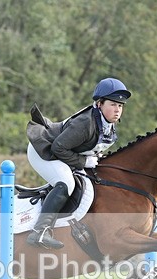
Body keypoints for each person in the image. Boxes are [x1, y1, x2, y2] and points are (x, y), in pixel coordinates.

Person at [25, 77, 131, 248]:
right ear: (99, 104)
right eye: (112, 104)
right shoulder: (85, 123)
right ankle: (40, 231)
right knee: (66, 182)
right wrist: (83, 161)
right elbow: (58, 148)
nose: (117, 110)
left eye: (120, 106)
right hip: (43, 150)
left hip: (63, 152)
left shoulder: (108, 127)